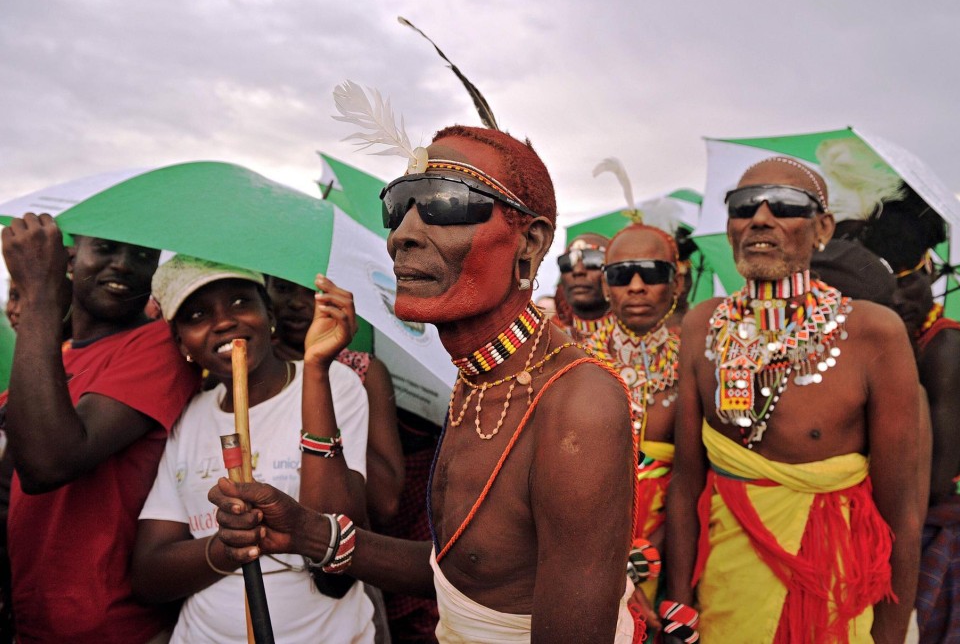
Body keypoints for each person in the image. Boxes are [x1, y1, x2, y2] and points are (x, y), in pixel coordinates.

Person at [211, 125, 639, 642]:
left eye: (447, 203)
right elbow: (467, 576)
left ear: (529, 242)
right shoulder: (477, 379)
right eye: (398, 205)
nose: (401, 235)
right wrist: (306, 531)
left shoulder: (578, 405)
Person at [665, 157, 922, 643]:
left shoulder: (872, 331)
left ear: (822, 226)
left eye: (784, 205)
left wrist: (888, 636)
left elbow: (901, 514)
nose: (760, 218)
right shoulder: (702, 323)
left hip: (830, 598)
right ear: (729, 225)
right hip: (725, 591)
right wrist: (678, 598)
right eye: (743, 206)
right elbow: (686, 480)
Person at [131, 256, 374, 642]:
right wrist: (230, 546)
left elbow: (335, 566)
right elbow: (150, 573)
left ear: (269, 313)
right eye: (196, 315)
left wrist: (315, 368)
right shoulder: (191, 418)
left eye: (241, 302)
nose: (225, 321)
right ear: (181, 344)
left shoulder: (333, 383)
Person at [0, 215, 199, 643]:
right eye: (107, 248)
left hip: (113, 628)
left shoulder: (159, 347)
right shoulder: (56, 358)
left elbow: (48, 464)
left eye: (144, 256)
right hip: (32, 621)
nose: (125, 265)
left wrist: (40, 295)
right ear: (72, 258)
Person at [864, 192, 960, 644]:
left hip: (924, 537)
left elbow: (930, 481)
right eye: (882, 283)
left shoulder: (947, 351)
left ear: (930, 269)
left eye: (907, 280)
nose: (897, 298)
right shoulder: (880, 343)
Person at [588, 223, 684, 618]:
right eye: (622, 274)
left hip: (678, 544)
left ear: (676, 284)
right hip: (588, 546)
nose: (638, 285)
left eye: (653, 272)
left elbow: (698, 476)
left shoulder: (698, 360)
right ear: (607, 286)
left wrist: (656, 546)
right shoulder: (576, 358)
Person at [266, 275, 405, 529]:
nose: (296, 303)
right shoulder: (251, 372)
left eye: (313, 292)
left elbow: (387, 503)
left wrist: (319, 379)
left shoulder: (362, 371)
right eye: (283, 288)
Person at [552, 233, 612, 343]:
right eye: (568, 263)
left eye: (593, 261)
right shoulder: (546, 342)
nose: (578, 271)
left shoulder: (642, 338)